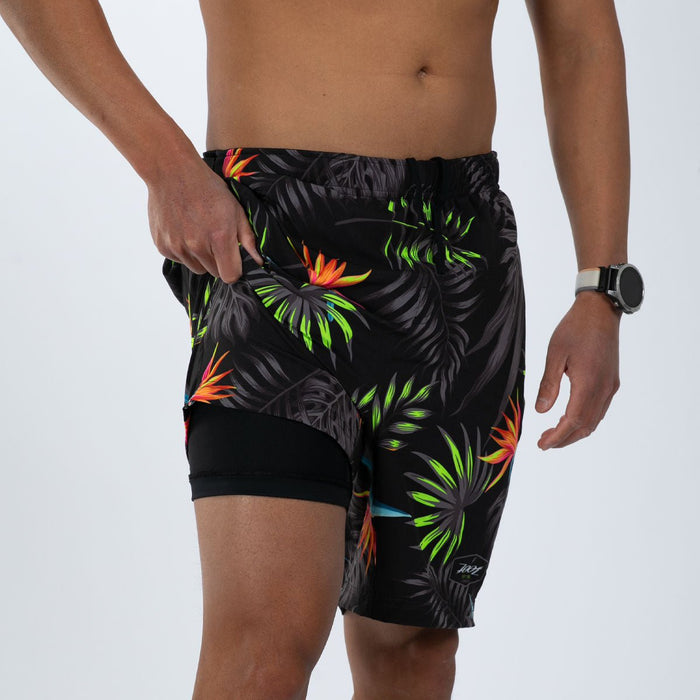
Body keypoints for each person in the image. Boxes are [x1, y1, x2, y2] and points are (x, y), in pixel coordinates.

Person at [1, 1, 644, 698]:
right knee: (261, 655)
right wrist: (165, 164)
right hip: (271, 240)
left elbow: (580, 35)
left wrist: (601, 286)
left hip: (459, 254)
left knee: (414, 654)